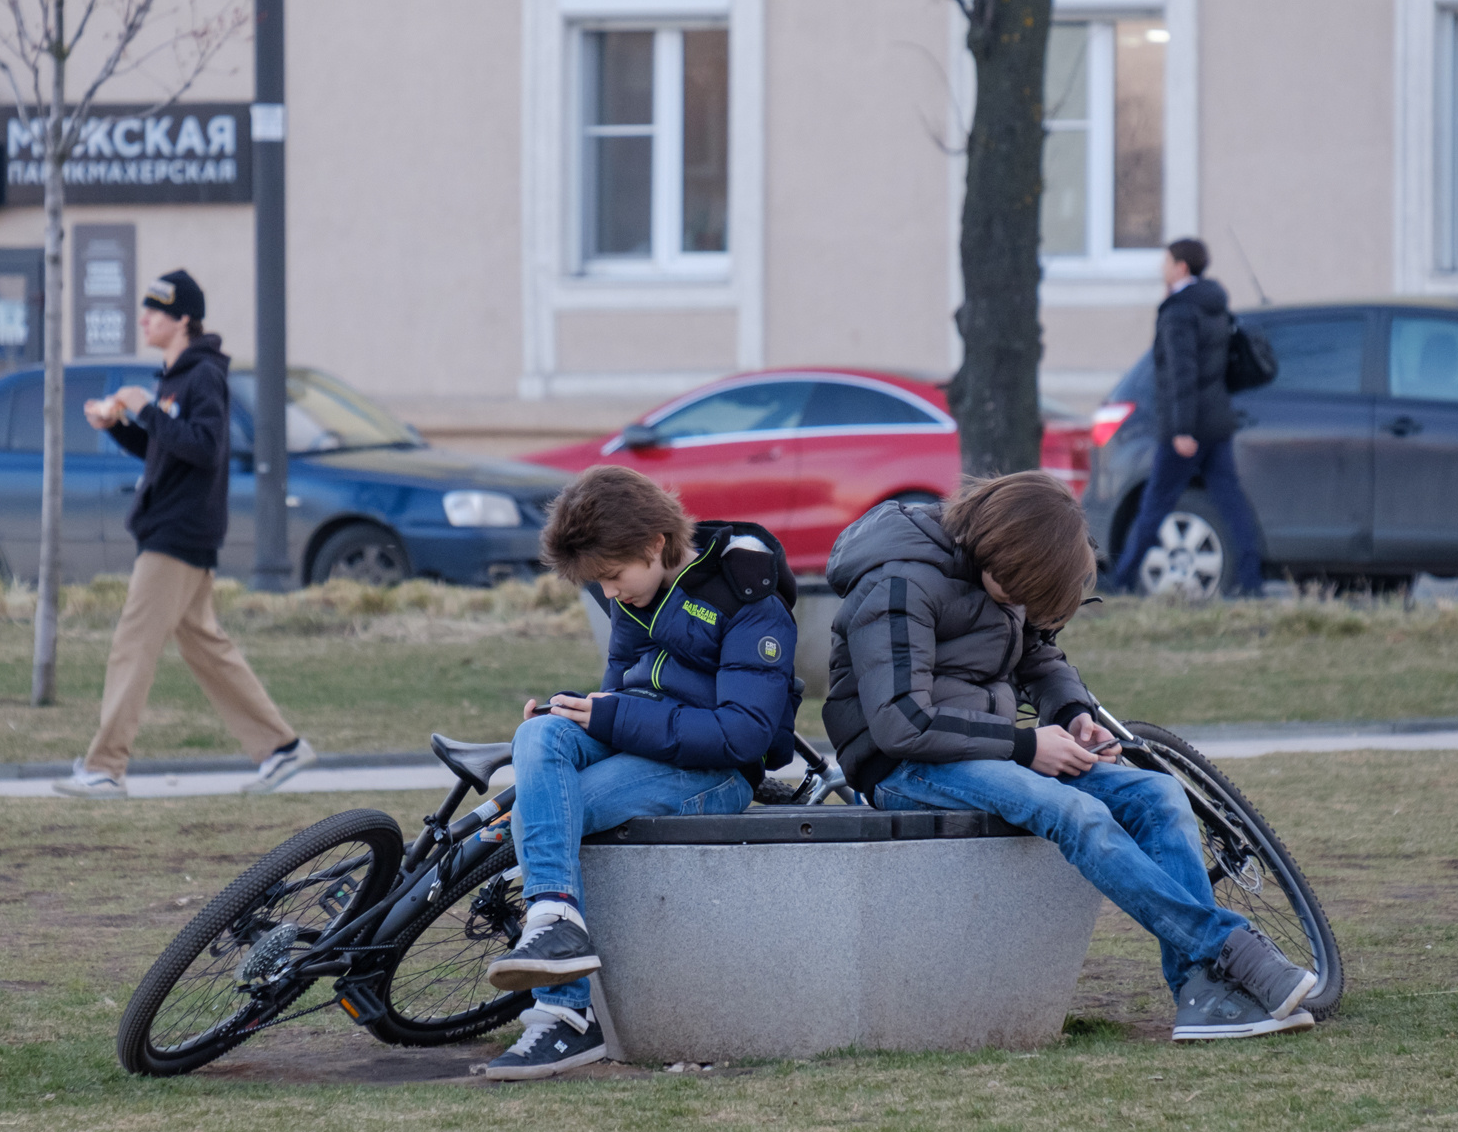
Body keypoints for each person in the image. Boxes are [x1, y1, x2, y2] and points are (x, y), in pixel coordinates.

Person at [825, 473, 1316, 1041]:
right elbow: (901, 724)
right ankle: (1229, 949)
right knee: (1075, 813)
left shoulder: (1001, 572)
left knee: (1157, 795)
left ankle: (1199, 993)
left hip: (983, 751)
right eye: (1017, 596)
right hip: (903, 768)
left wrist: (1071, 712)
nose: (1019, 607)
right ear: (1000, 551)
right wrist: (1026, 746)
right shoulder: (898, 585)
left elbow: (1039, 655)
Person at [481, 465, 801, 1080]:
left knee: (541, 809)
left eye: (612, 577)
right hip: (646, 746)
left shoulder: (748, 592)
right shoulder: (634, 588)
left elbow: (744, 734)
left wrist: (610, 718)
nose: (610, 595)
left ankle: (565, 1018)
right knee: (539, 733)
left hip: (717, 771)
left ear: (655, 544)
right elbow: (620, 694)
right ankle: (554, 919)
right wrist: (577, 713)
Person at [53, 270, 315, 799]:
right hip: (172, 527)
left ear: (184, 321)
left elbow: (205, 447)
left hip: (178, 532)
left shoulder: (202, 377)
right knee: (206, 648)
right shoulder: (174, 377)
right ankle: (281, 749)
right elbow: (170, 452)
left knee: (133, 644)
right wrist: (122, 426)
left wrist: (144, 408)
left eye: (155, 311)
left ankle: (105, 766)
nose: (144, 319)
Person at [1110, 237, 1263, 597]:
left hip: (1188, 429)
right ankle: (1252, 581)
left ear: (1181, 267)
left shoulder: (1179, 311)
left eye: (1166, 261)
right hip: (1216, 422)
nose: (1162, 268)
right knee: (1230, 500)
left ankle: (1123, 579)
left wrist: (1181, 429)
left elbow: (1181, 373)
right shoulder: (1213, 304)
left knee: (1155, 503)